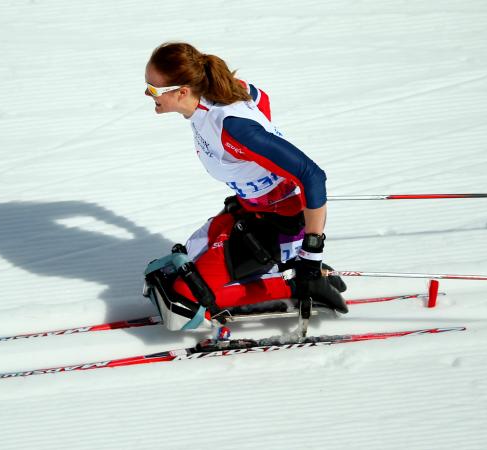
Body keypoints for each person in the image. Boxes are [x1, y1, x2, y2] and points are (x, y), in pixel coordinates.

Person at [142, 42, 346, 331]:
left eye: (153, 90)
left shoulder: (234, 129)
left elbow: (313, 176)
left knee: (181, 302)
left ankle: (303, 280)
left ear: (182, 91)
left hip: (282, 225)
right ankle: (277, 266)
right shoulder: (217, 94)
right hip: (253, 212)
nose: (147, 94)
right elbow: (260, 98)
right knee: (177, 263)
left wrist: (312, 255)